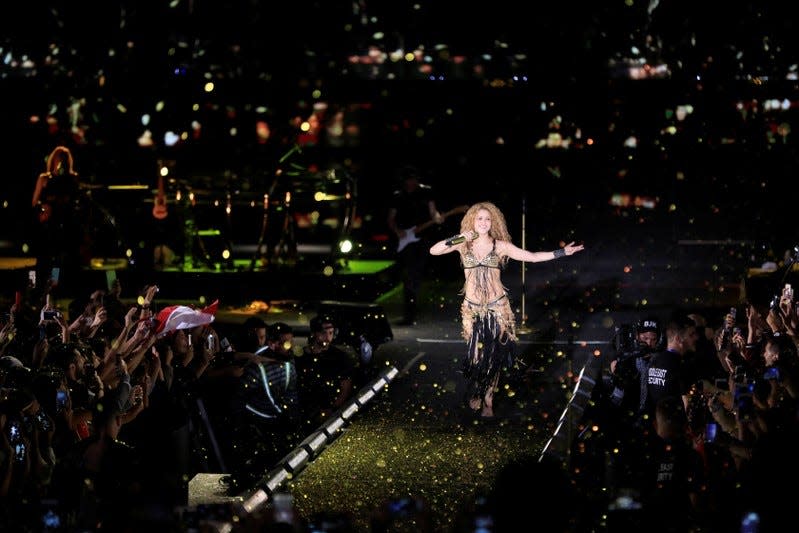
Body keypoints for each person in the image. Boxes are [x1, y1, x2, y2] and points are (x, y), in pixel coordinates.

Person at [429, 201, 584, 418]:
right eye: (479, 219)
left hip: (497, 309)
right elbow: (434, 250)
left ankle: (488, 401)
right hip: (472, 311)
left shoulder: (500, 246)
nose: (483, 222)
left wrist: (562, 252)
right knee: (475, 357)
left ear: (493, 223)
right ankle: (478, 390)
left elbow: (532, 256)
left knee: (493, 358)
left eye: (487, 219)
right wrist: (461, 237)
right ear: (472, 221)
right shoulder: (463, 244)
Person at [387, 166, 444, 325]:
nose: (411, 182)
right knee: (409, 276)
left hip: (423, 239)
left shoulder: (427, 192)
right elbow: (391, 218)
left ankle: (411, 312)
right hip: (405, 240)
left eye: (413, 179)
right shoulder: (398, 196)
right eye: (408, 180)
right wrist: (397, 231)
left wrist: (437, 217)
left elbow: (433, 212)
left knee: (415, 275)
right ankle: (409, 313)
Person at [30, 146, 86, 290]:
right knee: (42, 258)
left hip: (64, 224)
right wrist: (44, 208)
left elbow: (76, 201)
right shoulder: (44, 178)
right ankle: (34, 285)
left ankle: (54, 285)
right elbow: (35, 202)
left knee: (58, 259)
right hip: (48, 223)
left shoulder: (72, 179)